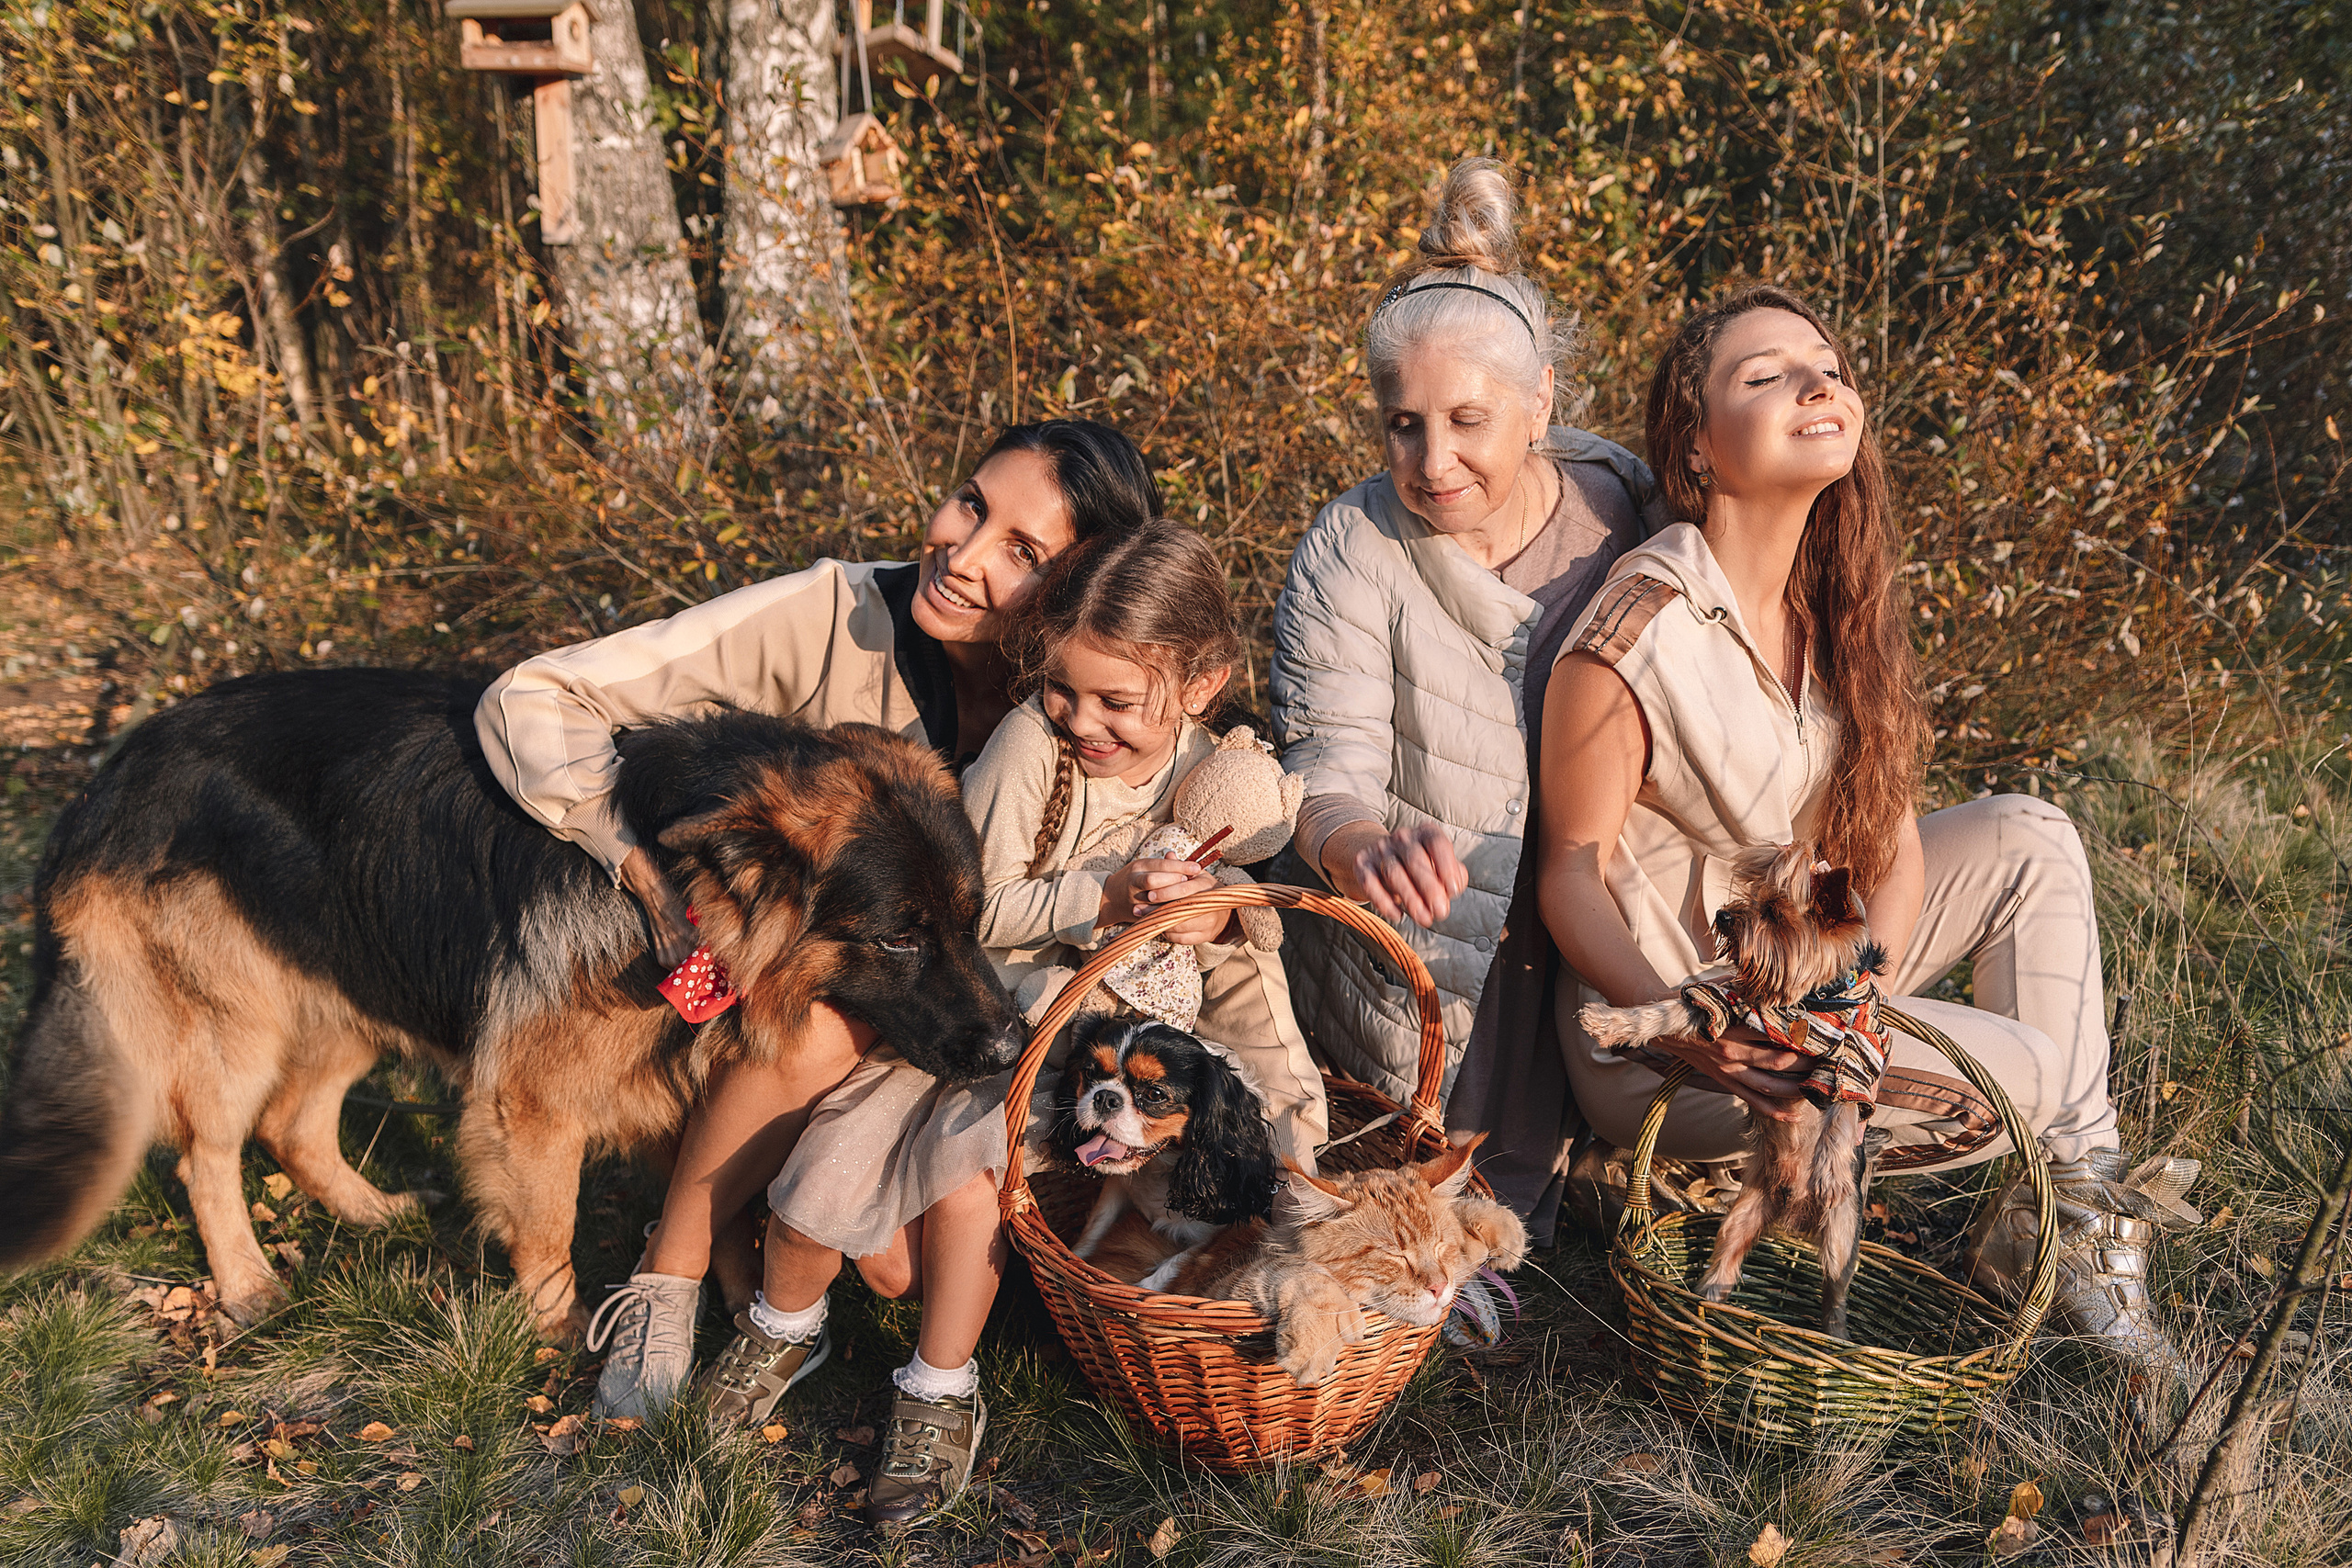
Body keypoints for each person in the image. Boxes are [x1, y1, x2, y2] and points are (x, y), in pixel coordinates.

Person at [1459, 284, 2196, 1374]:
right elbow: (1567, 876)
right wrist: (1694, 1033)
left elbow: (1888, 842)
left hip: (1809, 978)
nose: (1818, 384)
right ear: (1698, 448)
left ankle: (2071, 1226)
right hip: (1680, 1029)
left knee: (2031, 835)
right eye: (1764, 376)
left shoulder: (1833, 604)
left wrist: (1867, 1006)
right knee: (2034, 1074)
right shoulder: (1635, 628)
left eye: (1827, 367)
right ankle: (2049, 1201)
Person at [471, 420, 1160, 1419]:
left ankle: (767, 1235)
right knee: (820, 1031)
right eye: (970, 503)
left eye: (1022, 550)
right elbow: (534, 696)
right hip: (822, 978)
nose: (962, 554)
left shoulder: (1082, 692)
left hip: (974, 990)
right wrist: (641, 873)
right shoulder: (833, 614)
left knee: (902, 1273)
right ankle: (673, 1269)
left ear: (1080, 588)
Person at [713, 519, 1326, 1524]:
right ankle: (781, 1326)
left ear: (1203, 683)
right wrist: (1104, 895)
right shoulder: (1031, 744)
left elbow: (1233, 948)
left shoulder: (1217, 774)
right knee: (833, 1167)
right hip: (984, 1013)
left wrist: (1215, 914)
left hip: (1086, 1051)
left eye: (1116, 701)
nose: (1085, 718)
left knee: (969, 1183)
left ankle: (937, 1393)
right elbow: (978, 903)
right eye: (1065, 688)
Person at [1271, 157, 1663, 1105]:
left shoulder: (1634, 513)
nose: (1432, 461)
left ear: (1540, 400)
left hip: (1618, 929)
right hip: (1435, 968)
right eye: (1402, 424)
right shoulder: (1352, 545)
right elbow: (1326, 762)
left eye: (1467, 420)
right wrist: (1359, 847)